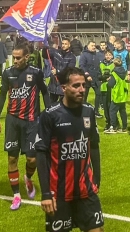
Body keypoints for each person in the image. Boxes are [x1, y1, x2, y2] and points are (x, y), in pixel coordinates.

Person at [35, 67, 104, 232]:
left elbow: (93, 145)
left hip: (86, 190)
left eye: (83, 85)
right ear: (64, 87)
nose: (82, 90)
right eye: (76, 86)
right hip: (58, 194)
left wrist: (97, 179)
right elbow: (41, 154)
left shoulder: (89, 111)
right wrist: (45, 193)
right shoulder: (50, 115)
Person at [0, 43, 51, 210]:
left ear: (27, 57)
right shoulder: (8, 73)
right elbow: (2, 95)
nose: (15, 60)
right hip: (12, 121)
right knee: (12, 158)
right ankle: (16, 195)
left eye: (18, 58)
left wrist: (48, 113)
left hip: (32, 121)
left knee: (32, 159)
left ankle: (28, 177)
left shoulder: (36, 73)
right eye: (13, 57)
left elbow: (45, 92)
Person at [42, 38, 76, 102]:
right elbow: (45, 55)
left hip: (63, 84)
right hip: (53, 84)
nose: (63, 45)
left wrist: (57, 71)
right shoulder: (56, 52)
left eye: (65, 44)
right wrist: (44, 48)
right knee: (51, 105)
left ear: (69, 45)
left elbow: (69, 70)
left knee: (62, 106)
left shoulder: (72, 57)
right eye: (62, 43)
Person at [80, 41, 103, 118]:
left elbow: (99, 67)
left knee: (99, 94)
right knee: (84, 95)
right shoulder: (84, 55)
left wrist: (100, 76)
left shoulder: (97, 55)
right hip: (87, 79)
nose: (94, 47)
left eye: (94, 45)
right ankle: (82, 111)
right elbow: (82, 66)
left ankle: (96, 111)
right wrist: (87, 75)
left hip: (96, 79)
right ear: (88, 46)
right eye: (92, 45)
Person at [105, 57, 128, 134]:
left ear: (114, 64)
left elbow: (111, 84)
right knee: (123, 111)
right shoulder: (124, 72)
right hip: (123, 95)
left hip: (116, 95)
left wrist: (108, 80)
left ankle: (113, 127)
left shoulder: (114, 73)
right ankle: (124, 127)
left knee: (112, 111)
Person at [98, 50, 114, 131]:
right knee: (105, 107)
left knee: (111, 106)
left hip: (111, 89)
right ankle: (108, 122)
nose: (108, 56)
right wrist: (104, 77)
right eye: (106, 55)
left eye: (109, 55)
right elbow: (98, 76)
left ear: (112, 56)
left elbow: (115, 76)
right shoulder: (101, 64)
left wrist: (109, 77)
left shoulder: (114, 64)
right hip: (103, 88)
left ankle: (113, 123)